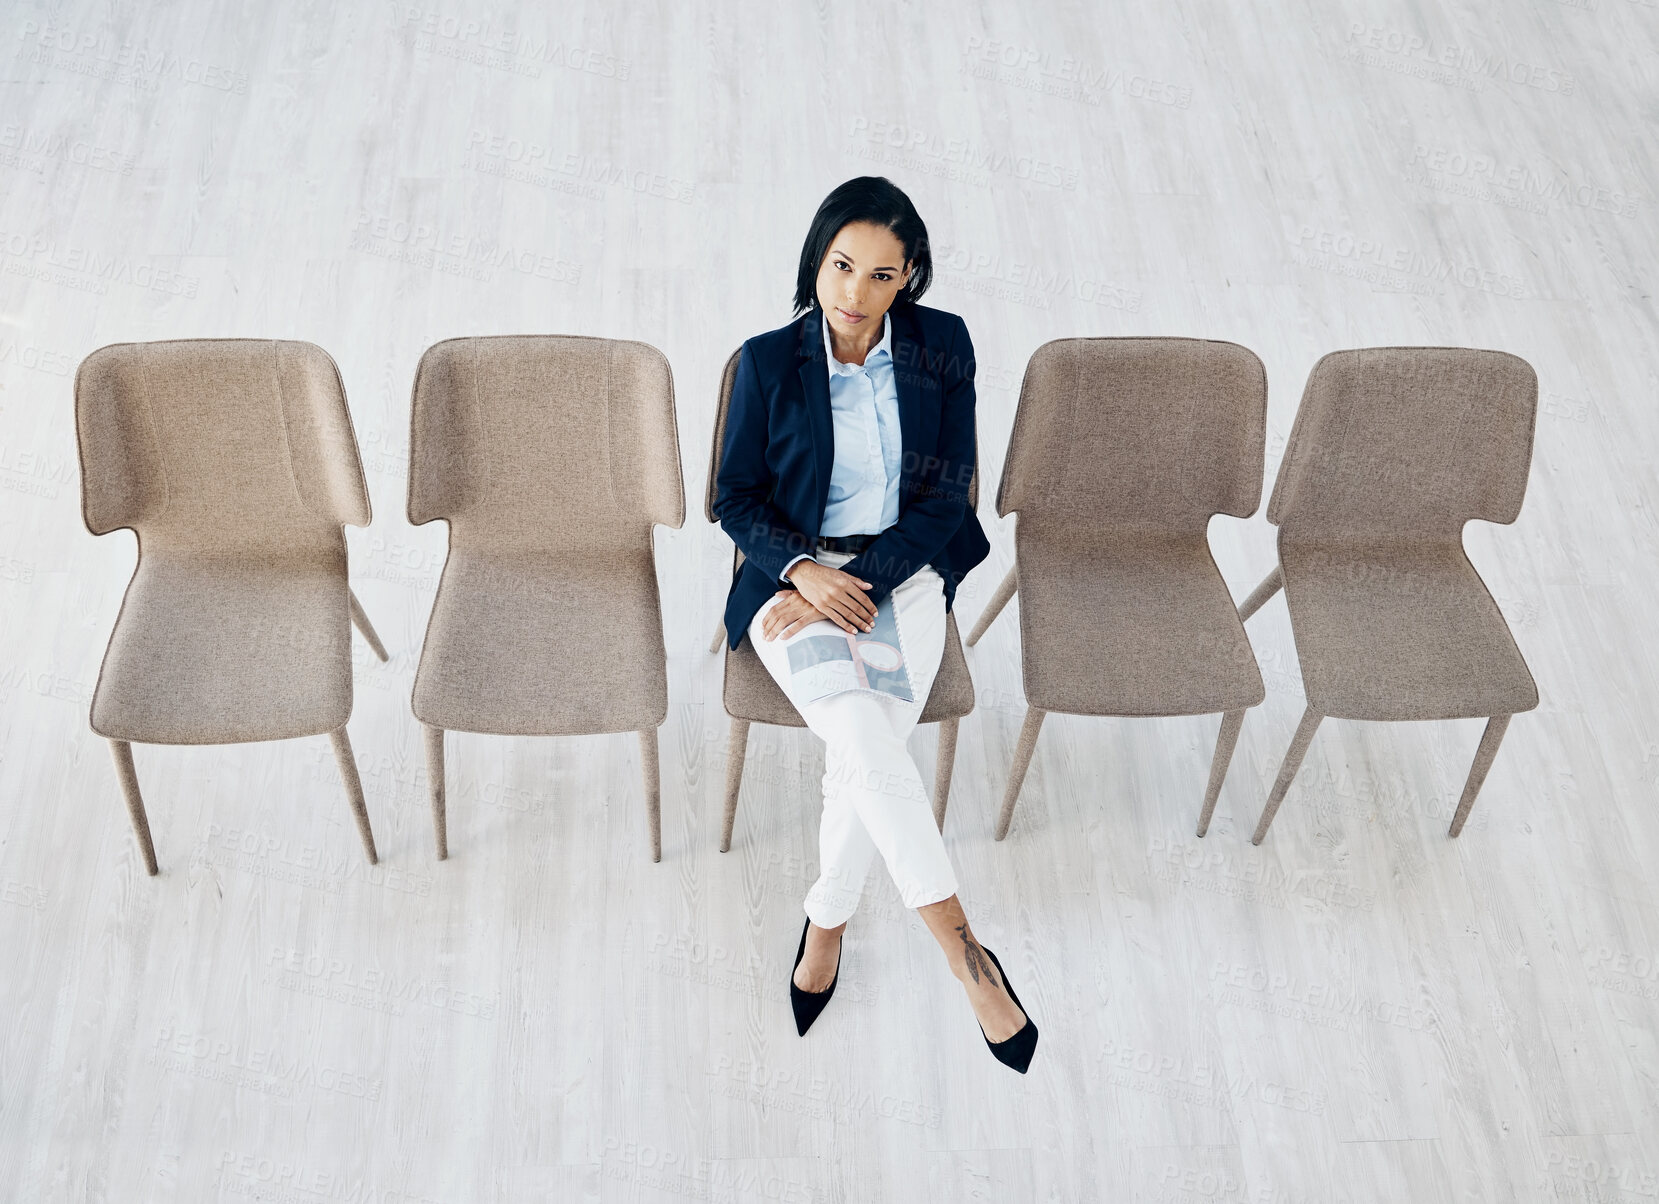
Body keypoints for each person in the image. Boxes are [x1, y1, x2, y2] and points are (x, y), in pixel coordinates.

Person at [713, 176, 1038, 1072]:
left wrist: (865, 576)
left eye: (880, 275)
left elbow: (946, 498)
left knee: (860, 762)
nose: (853, 294)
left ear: (910, 279)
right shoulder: (766, 362)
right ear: (817, 259)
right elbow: (732, 497)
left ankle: (826, 926)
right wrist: (807, 571)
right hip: (799, 583)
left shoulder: (942, 349)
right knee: (863, 737)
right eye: (840, 265)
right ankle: (966, 958)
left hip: (904, 576)